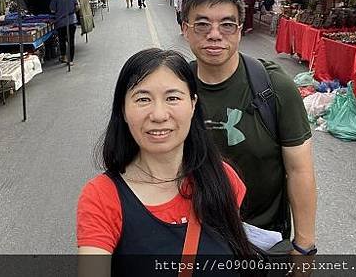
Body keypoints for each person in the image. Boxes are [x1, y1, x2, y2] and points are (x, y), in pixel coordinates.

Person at [77, 49, 255, 275]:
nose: (159, 115)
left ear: (193, 104)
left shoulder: (222, 177)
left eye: (172, 98)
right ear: (122, 109)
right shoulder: (102, 197)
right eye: (143, 99)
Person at [181, 0, 317, 256]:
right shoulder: (175, 88)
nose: (215, 35)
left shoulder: (274, 87)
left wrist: (304, 246)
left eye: (227, 24)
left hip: (261, 239)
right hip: (191, 236)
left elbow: (299, 169)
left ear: (240, 30)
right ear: (185, 29)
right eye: (202, 24)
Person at [50, 0, 80, 66]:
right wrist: (72, 10)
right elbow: (78, 7)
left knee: (62, 40)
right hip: (72, 21)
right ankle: (71, 60)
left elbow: (52, 9)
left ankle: (63, 56)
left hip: (61, 22)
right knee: (71, 41)